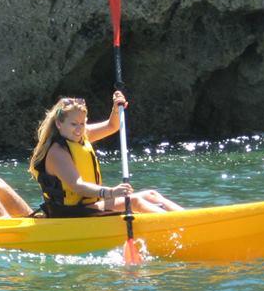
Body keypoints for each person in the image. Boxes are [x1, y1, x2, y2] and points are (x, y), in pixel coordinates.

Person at [28, 92, 183, 217]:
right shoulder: (57, 152)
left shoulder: (81, 135)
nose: (79, 129)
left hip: (88, 205)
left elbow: (112, 126)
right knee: (134, 201)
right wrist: (111, 192)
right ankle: (180, 227)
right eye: (74, 124)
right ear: (59, 123)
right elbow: (78, 186)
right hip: (70, 213)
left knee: (151, 194)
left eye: (82, 123)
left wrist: (116, 109)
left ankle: (189, 218)